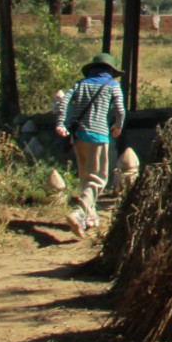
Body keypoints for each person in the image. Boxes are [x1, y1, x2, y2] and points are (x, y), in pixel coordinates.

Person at [54, 52, 126, 236]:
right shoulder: (113, 85)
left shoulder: (80, 84)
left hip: (78, 135)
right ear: (110, 70)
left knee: (86, 176)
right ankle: (79, 213)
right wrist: (118, 126)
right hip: (99, 135)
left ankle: (89, 217)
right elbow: (120, 109)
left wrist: (61, 123)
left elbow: (63, 104)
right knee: (98, 179)